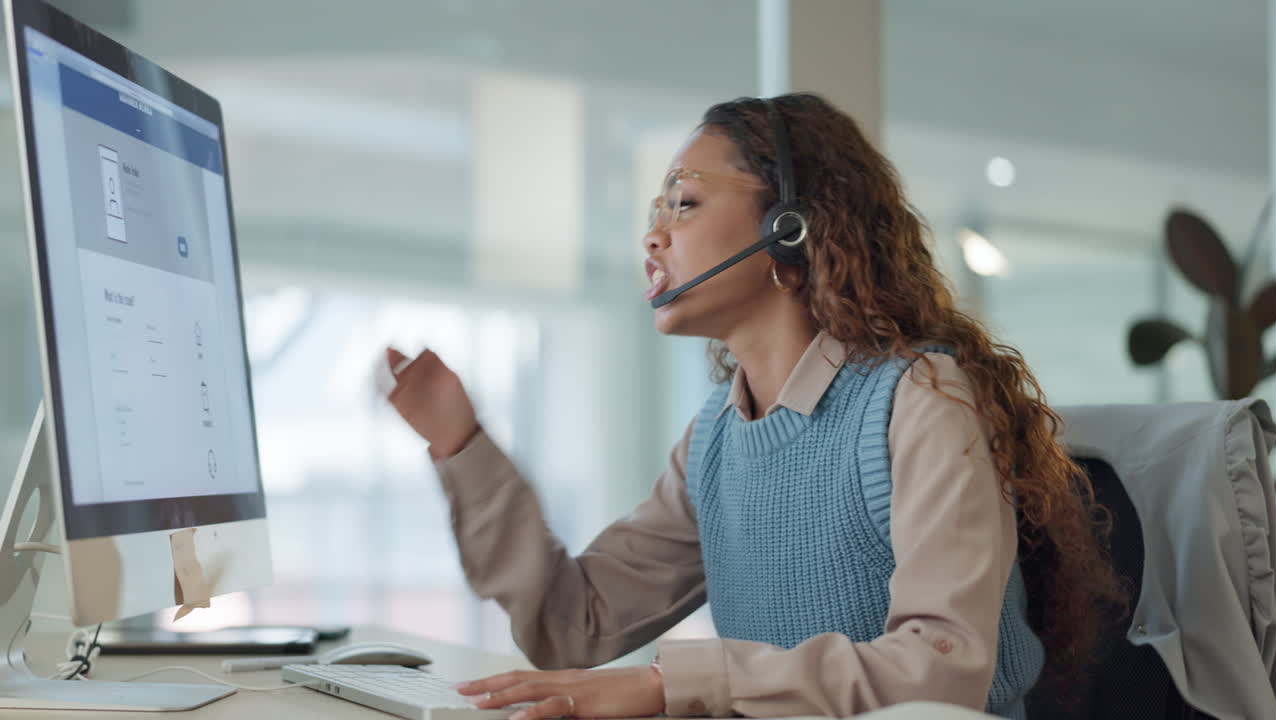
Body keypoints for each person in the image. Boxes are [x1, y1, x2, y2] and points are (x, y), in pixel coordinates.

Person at [384, 93, 1124, 719]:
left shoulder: (920, 401)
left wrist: (668, 685)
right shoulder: (717, 437)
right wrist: (463, 448)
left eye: (684, 203)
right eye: (656, 210)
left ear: (790, 227)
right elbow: (573, 624)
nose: (653, 235)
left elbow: (942, 667)